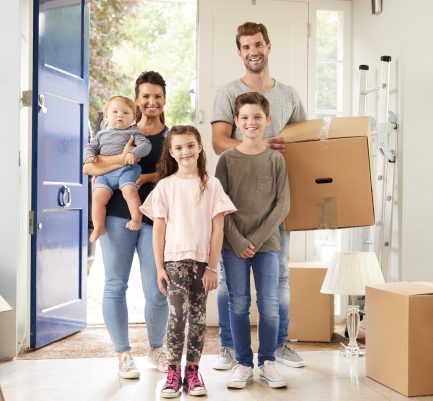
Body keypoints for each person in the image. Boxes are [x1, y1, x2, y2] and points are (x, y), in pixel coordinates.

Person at [211, 21, 307, 370]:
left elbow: (302, 142)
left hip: (274, 199)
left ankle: (277, 347)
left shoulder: (290, 95)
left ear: (268, 46)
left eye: (258, 45)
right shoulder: (226, 92)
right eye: (246, 46)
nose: (253, 51)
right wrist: (257, 145)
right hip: (238, 203)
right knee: (231, 283)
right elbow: (220, 143)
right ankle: (227, 346)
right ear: (239, 52)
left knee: (279, 277)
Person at [82, 71, 169, 379]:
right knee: (115, 285)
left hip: (155, 219)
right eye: (146, 96)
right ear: (137, 100)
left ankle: (156, 348)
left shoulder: (169, 137)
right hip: (117, 216)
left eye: (157, 96)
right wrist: (123, 159)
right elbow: (91, 166)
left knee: (157, 289)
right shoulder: (115, 129)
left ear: (164, 100)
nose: (151, 101)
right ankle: (123, 354)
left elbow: (174, 176)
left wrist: (142, 176)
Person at [141, 125, 236, 398]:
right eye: (179, 147)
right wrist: (159, 267)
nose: (185, 152)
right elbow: (158, 230)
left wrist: (212, 267)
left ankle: (192, 371)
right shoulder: (165, 186)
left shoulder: (212, 184)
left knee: (198, 317)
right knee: (177, 316)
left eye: (190, 145)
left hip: (202, 263)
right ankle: (172, 371)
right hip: (173, 262)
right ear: (171, 152)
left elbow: (218, 230)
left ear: (200, 147)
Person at [215, 92, 289, 389]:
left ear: (267, 120)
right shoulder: (227, 160)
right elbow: (219, 204)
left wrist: (255, 241)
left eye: (257, 116)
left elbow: (282, 205)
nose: (251, 122)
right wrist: (237, 240)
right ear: (235, 121)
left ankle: (268, 362)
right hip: (233, 245)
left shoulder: (275, 160)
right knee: (238, 303)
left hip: (267, 246)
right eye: (244, 117)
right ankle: (243, 364)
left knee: (270, 304)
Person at [84, 95, 152, 243]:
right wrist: (89, 155)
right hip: (106, 174)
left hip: (127, 170)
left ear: (133, 118)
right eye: (115, 112)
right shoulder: (101, 135)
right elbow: (90, 147)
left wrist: (134, 153)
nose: (120, 115)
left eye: (125, 113)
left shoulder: (133, 132)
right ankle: (98, 227)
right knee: (97, 197)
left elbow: (146, 145)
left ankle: (136, 218)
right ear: (106, 117)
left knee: (129, 191)